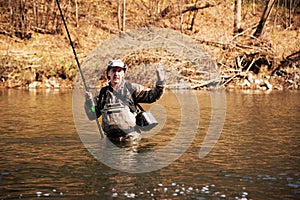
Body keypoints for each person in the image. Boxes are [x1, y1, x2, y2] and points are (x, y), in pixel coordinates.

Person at [84, 59, 165, 142]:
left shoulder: (132, 88)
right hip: (110, 140)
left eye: (119, 71)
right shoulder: (101, 94)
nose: (116, 74)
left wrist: (160, 81)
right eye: (113, 71)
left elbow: (153, 96)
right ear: (108, 73)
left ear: (123, 73)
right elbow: (92, 115)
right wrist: (89, 102)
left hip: (131, 139)